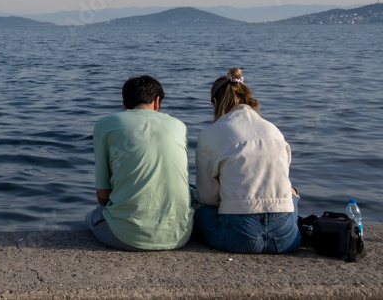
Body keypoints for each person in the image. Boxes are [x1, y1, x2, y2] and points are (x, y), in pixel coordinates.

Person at [192, 68, 301, 254]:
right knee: (291, 193)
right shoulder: (273, 130)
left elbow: (207, 198)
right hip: (286, 237)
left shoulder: (210, 133)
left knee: (193, 198)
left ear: (215, 102)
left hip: (239, 237)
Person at [86, 75, 194, 251]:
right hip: (180, 234)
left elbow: (103, 196)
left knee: (92, 217)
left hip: (127, 237)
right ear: (157, 102)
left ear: (124, 103)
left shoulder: (106, 124)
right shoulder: (179, 125)